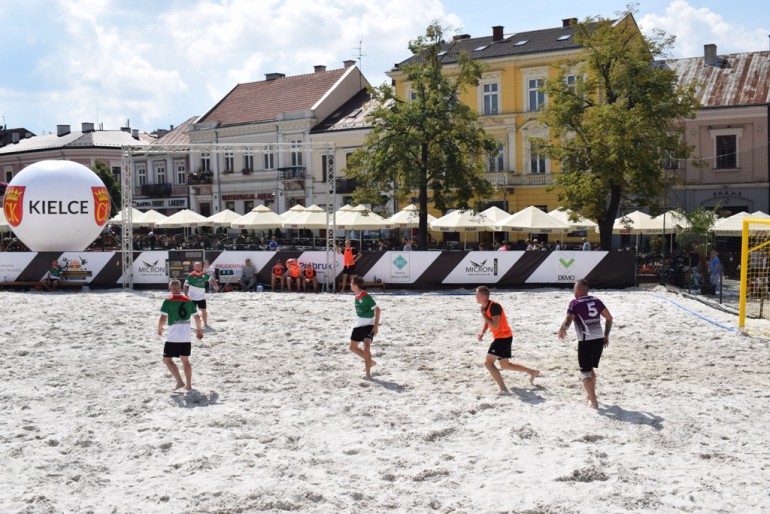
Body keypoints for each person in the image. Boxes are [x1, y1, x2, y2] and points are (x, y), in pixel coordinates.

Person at [557, 278, 613, 409]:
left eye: (574, 288)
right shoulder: (596, 300)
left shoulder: (574, 303)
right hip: (599, 339)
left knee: (585, 373)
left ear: (578, 289)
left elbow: (568, 320)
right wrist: (606, 335)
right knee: (590, 369)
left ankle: (593, 402)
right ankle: (590, 396)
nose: (573, 290)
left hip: (586, 341)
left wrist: (562, 329)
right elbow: (609, 318)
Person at [475, 286, 540, 394]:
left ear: (481, 296)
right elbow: (488, 320)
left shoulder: (494, 306)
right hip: (504, 337)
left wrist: (483, 315)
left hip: (502, 338)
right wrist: (483, 332)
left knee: (488, 363)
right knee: (505, 365)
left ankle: (503, 389)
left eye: (476, 294)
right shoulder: (485, 306)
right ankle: (532, 371)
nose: (475, 296)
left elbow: (495, 325)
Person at [158, 279, 203, 391]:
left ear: (170, 289)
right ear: (181, 288)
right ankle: (188, 385)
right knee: (185, 360)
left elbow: (163, 318)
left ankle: (179, 382)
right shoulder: (188, 300)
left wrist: (159, 328)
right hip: (186, 336)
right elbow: (197, 317)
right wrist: (199, 330)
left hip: (174, 337)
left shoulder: (168, 301)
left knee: (167, 360)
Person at [349, 276, 381, 378]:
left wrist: (376, 326)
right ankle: (370, 361)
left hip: (369, 325)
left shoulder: (366, 296)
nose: (350, 284)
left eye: (351, 283)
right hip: (358, 325)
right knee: (352, 348)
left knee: (366, 348)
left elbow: (378, 310)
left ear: (355, 285)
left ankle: (368, 374)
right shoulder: (357, 294)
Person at [184, 261, 219, 330]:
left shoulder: (204, 274)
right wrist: (185, 295)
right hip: (192, 297)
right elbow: (185, 286)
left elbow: (211, 279)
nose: (199, 268)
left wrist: (215, 285)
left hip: (201, 297)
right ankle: (186, 324)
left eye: (200, 266)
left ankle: (205, 324)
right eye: (197, 266)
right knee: (189, 311)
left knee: (204, 311)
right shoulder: (190, 276)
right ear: (194, 267)